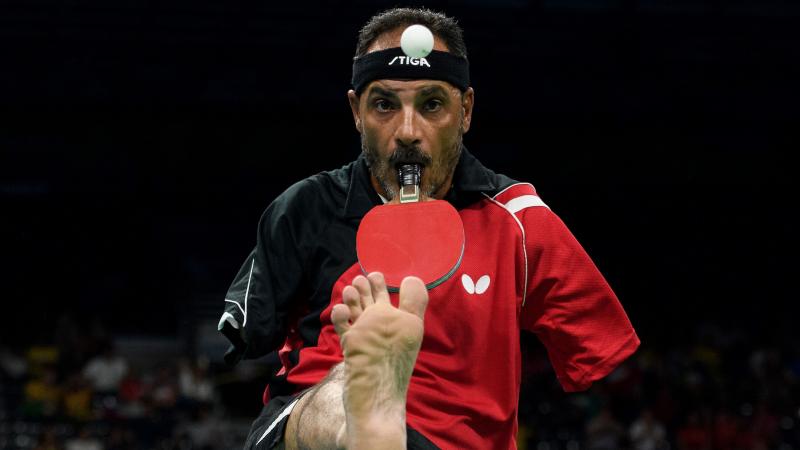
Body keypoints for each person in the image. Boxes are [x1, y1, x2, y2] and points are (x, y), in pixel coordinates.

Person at [218, 7, 640, 450]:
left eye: (431, 104)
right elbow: (248, 327)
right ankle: (365, 408)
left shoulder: (520, 220)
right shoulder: (307, 207)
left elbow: (597, 352)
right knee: (333, 399)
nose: (406, 131)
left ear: (466, 111)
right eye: (384, 104)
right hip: (312, 429)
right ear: (356, 111)